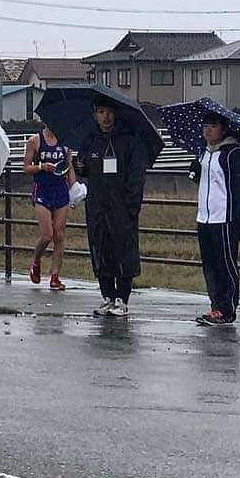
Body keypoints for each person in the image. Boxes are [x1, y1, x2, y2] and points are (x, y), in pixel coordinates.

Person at [78, 99, 148, 318]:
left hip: (122, 207)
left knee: (123, 252)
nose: (106, 117)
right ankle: (107, 296)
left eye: (109, 112)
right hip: (97, 205)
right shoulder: (90, 140)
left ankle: (122, 298)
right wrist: (81, 168)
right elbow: (87, 169)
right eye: (101, 112)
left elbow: (137, 176)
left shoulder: (129, 140)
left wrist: (131, 206)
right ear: (95, 115)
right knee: (101, 250)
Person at [192, 110, 240, 326]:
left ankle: (227, 308)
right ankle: (215, 305)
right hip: (205, 217)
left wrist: (239, 218)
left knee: (226, 264)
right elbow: (203, 181)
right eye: (205, 125)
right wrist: (195, 170)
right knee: (210, 265)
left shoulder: (233, 153)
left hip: (224, 218)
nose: (208, 130)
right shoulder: (204, 152)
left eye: (213, 126)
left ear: (223, 129)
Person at [23, 124, 75, 290]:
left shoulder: (66, 143)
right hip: (42, 190)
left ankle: (55, 276)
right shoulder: (35, 141)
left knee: (59, 235)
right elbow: (25, 167)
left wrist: (74, 189)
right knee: (47, 235)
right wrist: (41, 167)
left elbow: (69, 166)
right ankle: (36, 261)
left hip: (60, 191)